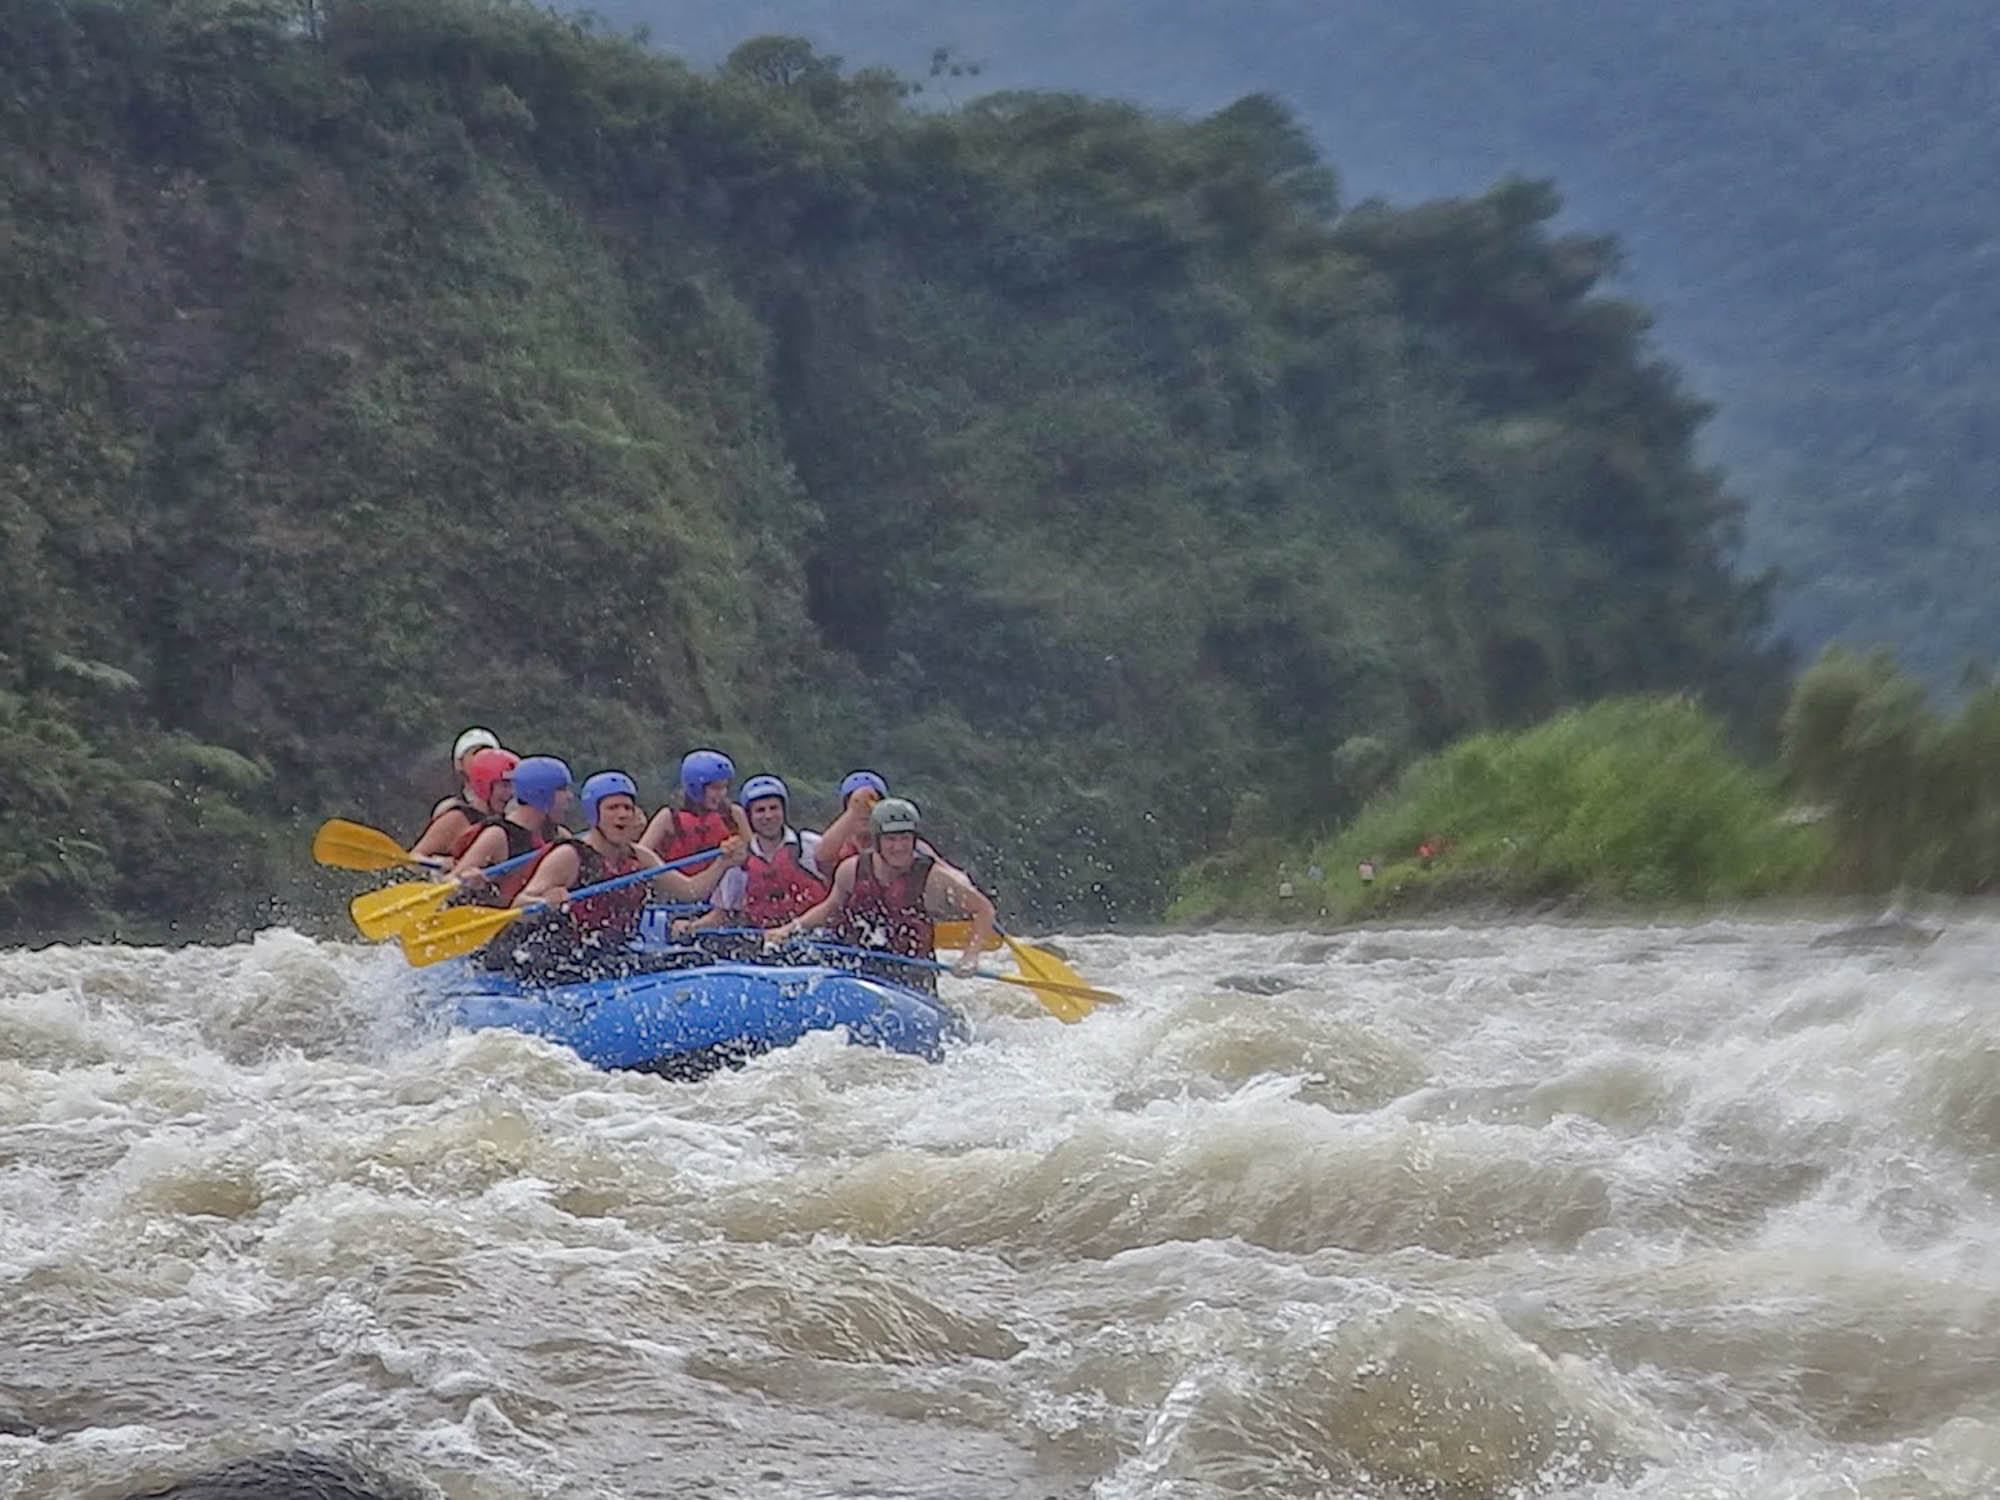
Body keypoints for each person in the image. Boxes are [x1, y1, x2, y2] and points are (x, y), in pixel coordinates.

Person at [484, 770, 748, 983]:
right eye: (612, 808)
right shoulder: (570, 855)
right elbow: (520, 903)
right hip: (564, 955)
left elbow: (689, 891)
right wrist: (545, 900)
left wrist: (722, 864)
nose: (622, 814)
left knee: (693, 957)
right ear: (595, 814)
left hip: (611, 952)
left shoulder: (639, 857)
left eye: (627, 807)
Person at [766, 798, 996, 990]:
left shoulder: (934, 879)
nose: (899, 847)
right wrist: (789, 929)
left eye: (905, 838)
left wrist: (970, 956)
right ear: (877, 841)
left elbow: (983, 909)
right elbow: (830, 907)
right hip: (857, 964)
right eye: (891, 839)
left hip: (909, 974)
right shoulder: (851, 869)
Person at [700, 774, 829, 931]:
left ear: (783, 811)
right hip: (762, 942)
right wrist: (692, 926)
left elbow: (837, 893)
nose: (768, 816)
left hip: (813, 937)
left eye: (774, 808)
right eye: (760, 811)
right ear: (750, 817)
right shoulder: (739, 860)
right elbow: (723, 913)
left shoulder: (809, 845)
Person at [447, 754, 571, 906]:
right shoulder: (498, 835)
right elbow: (449, 884)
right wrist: (468, 884)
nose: (569, 796)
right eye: (562, 789)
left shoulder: (560, 836)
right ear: (540, 793)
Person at [640, 749, 748, 873]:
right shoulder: (668, 818)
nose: (722, 794)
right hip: (678, 886)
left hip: (725, 887)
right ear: (695, 787)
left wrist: (739, 851)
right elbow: (640, 857)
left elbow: (752, 860)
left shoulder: (734, 814)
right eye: (715, 788)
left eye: (725, 787)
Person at [409, 730, 506, 860]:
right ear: (460, 763)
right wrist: (441, 864)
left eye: (489, 755)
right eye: (476, 754)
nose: (483, 760)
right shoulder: (455, 813)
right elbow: (414, 858)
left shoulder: (508, 814)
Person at [814, 769, 887, 870]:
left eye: (869, 804)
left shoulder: (893, 843)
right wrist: (854, 810)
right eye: (857, 804)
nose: (864, 812)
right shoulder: (838, 846)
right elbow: (822, 857)